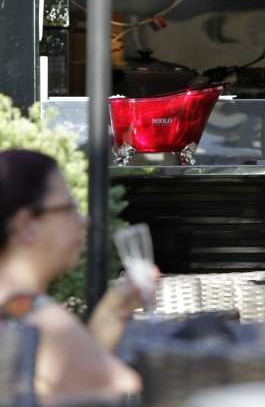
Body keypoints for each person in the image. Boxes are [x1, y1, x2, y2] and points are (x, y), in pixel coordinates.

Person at [0, 149, 154, 401]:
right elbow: (127, 388)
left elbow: (71, 374)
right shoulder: (38, 318)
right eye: (69, 207)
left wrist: (113, 310)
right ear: (27, 225)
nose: (83, 221)